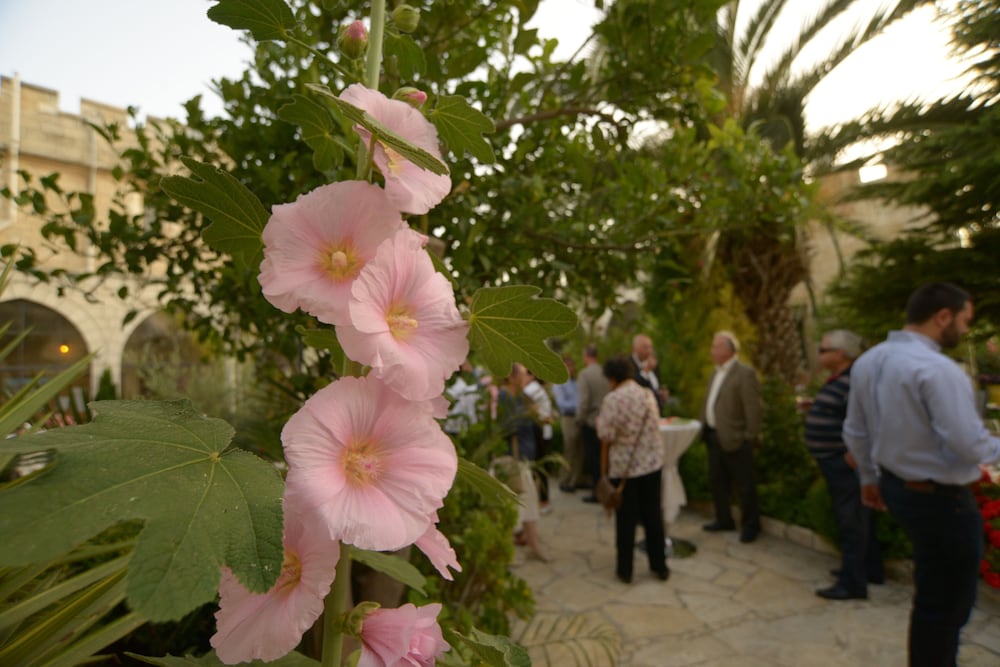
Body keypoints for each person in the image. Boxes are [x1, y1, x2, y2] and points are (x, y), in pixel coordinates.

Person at [844, 282, 1000, 666]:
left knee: (933, 596)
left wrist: (868, 479)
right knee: (949, 605)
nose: (965, 331)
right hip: (941, 501)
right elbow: (969, 444)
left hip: (898, 489)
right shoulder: (936, 368)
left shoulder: (869, 360)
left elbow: (855, 430)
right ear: (942, 316)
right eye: (964, 321)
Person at [805, 329, 883, 601]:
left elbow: (869, 420)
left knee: (851, 521)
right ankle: (868, 569)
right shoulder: (842, 379)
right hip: (836, 461)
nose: (820, 355)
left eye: (824, 350)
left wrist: (855, 452)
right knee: (860, 519)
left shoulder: (854, 381)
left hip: (844, 464)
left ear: (841, 354)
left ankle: (853, 584)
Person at [596, 356, 669, 583]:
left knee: (626, 521)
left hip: (624, 469)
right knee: (653, 517)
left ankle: (625, 570)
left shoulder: (612, 399)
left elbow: (605, 435)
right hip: (651, 465)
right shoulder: (648, 395)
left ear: (613, 378)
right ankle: (660, 567)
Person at [700, 331, 763, 543]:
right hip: (714, 436)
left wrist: (749, 437)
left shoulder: (744, 373)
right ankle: (724, 519)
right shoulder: (716, 372)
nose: (712, 350)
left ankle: (750, 525)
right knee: (717, 482)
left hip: (736, 440)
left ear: (729, 350)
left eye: (716, 346)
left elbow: (753, 409)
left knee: (744, 485)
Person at [495, 363, 547, 561]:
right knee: (513, 506)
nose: (528, 378)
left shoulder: (522, 396)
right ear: (513, 377)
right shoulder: (505, 396)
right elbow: (506, 426)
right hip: (513, 458)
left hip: (524, 456)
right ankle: (508, 552)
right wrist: (529, 415)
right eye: (525, 374)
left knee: (530, 502)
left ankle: (533, 544)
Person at [577, 344, 610, 503]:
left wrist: (580, 419)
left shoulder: (585, 374)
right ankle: (606, 489)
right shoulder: (605, 372)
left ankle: (597, 492)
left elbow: (584, 401)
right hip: (606, 420)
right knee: (604, 459)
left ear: (586, 356)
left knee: (593, 459)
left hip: (590, 422)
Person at [522, 368, 554, 512]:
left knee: (538, 469)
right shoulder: (537, 388)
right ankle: (543, 500)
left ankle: (543, 501)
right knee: (541, 468)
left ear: (531, 375)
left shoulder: (531, 389)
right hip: (544, 432)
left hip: (540, 432)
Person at [552, 354, 585, 493]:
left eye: (572, 365)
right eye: (569, 366)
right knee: (569, 450)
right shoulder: (559, 384)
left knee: (579, 451)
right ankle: (564, 480)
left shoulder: (575, 383)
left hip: (578, 418)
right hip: (569, 418)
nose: (572, 368)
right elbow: (562, 404)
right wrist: (578, 406)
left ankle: (575, 480)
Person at [630, 333, 667, 412]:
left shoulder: (653, 364)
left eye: (650, 347)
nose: (649, 350)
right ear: (634, 349)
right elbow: (633, 385)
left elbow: (656, 384)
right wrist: (646, 371)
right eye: (645, 347)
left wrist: (661, 393)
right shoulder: (628, 364)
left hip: (655, 410)